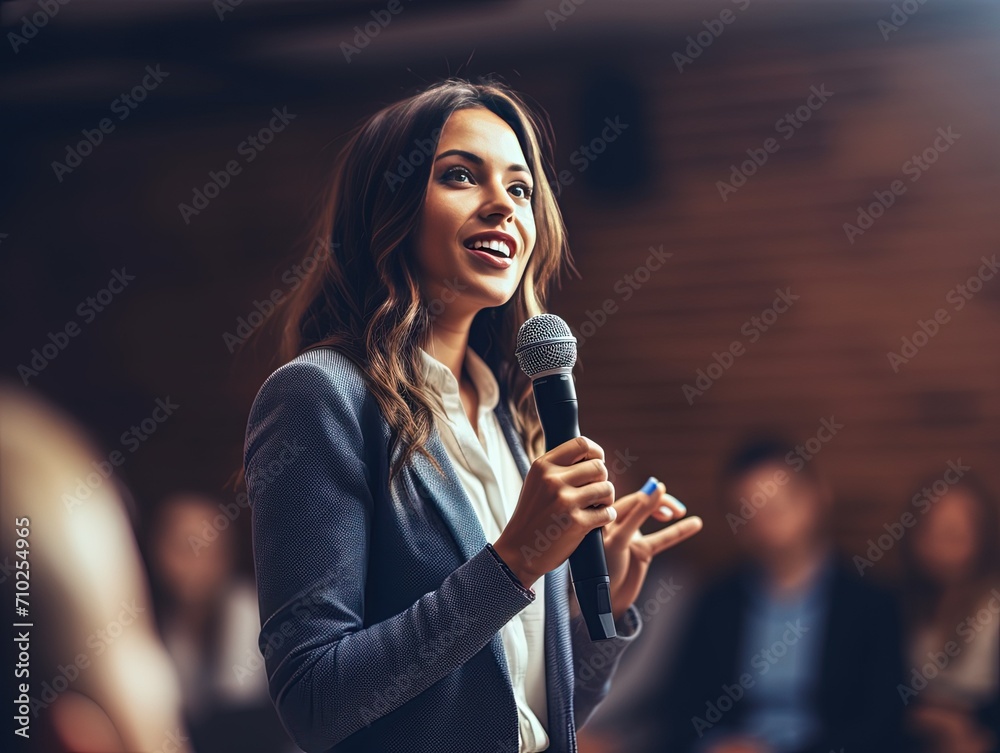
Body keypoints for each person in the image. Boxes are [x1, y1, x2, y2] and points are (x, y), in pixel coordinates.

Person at [239, 77, 703, 753]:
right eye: (461, 176)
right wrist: (513, 562)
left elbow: (517, 708)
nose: (503, 207)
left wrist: (603, 612)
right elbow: (313, 697)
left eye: (520, 188)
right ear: (388, 204)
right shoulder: (320, 396)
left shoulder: (509, 414)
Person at [648, 435, 907, 753]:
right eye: (749, 511)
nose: (765, 523)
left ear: (817, 496)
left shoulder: (870, 604)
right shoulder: (716, 603)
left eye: (778, 506)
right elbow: (680, 710)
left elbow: (882, 724)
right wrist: (714, 744)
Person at [898, 473, 1000, 753]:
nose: (943, 548)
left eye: (956, 533)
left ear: (982, 536)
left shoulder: (992, 611)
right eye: (932, 532)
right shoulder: (899, 606)